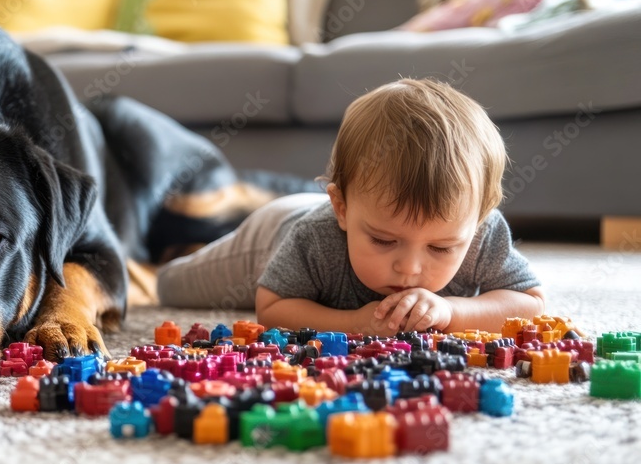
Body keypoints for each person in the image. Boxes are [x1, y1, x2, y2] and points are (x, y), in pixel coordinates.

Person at [156, 78, 545, 335]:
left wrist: (452, 313)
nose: (409, 269)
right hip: (274, 232)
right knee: (172, 286)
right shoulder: (316, 237)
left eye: (441, 248)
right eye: (382, 240)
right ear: (341, 208)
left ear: (477, 222)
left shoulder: (481, 231)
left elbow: (530, 304)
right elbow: (272, 307)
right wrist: (353, 324)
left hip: (340, 217)